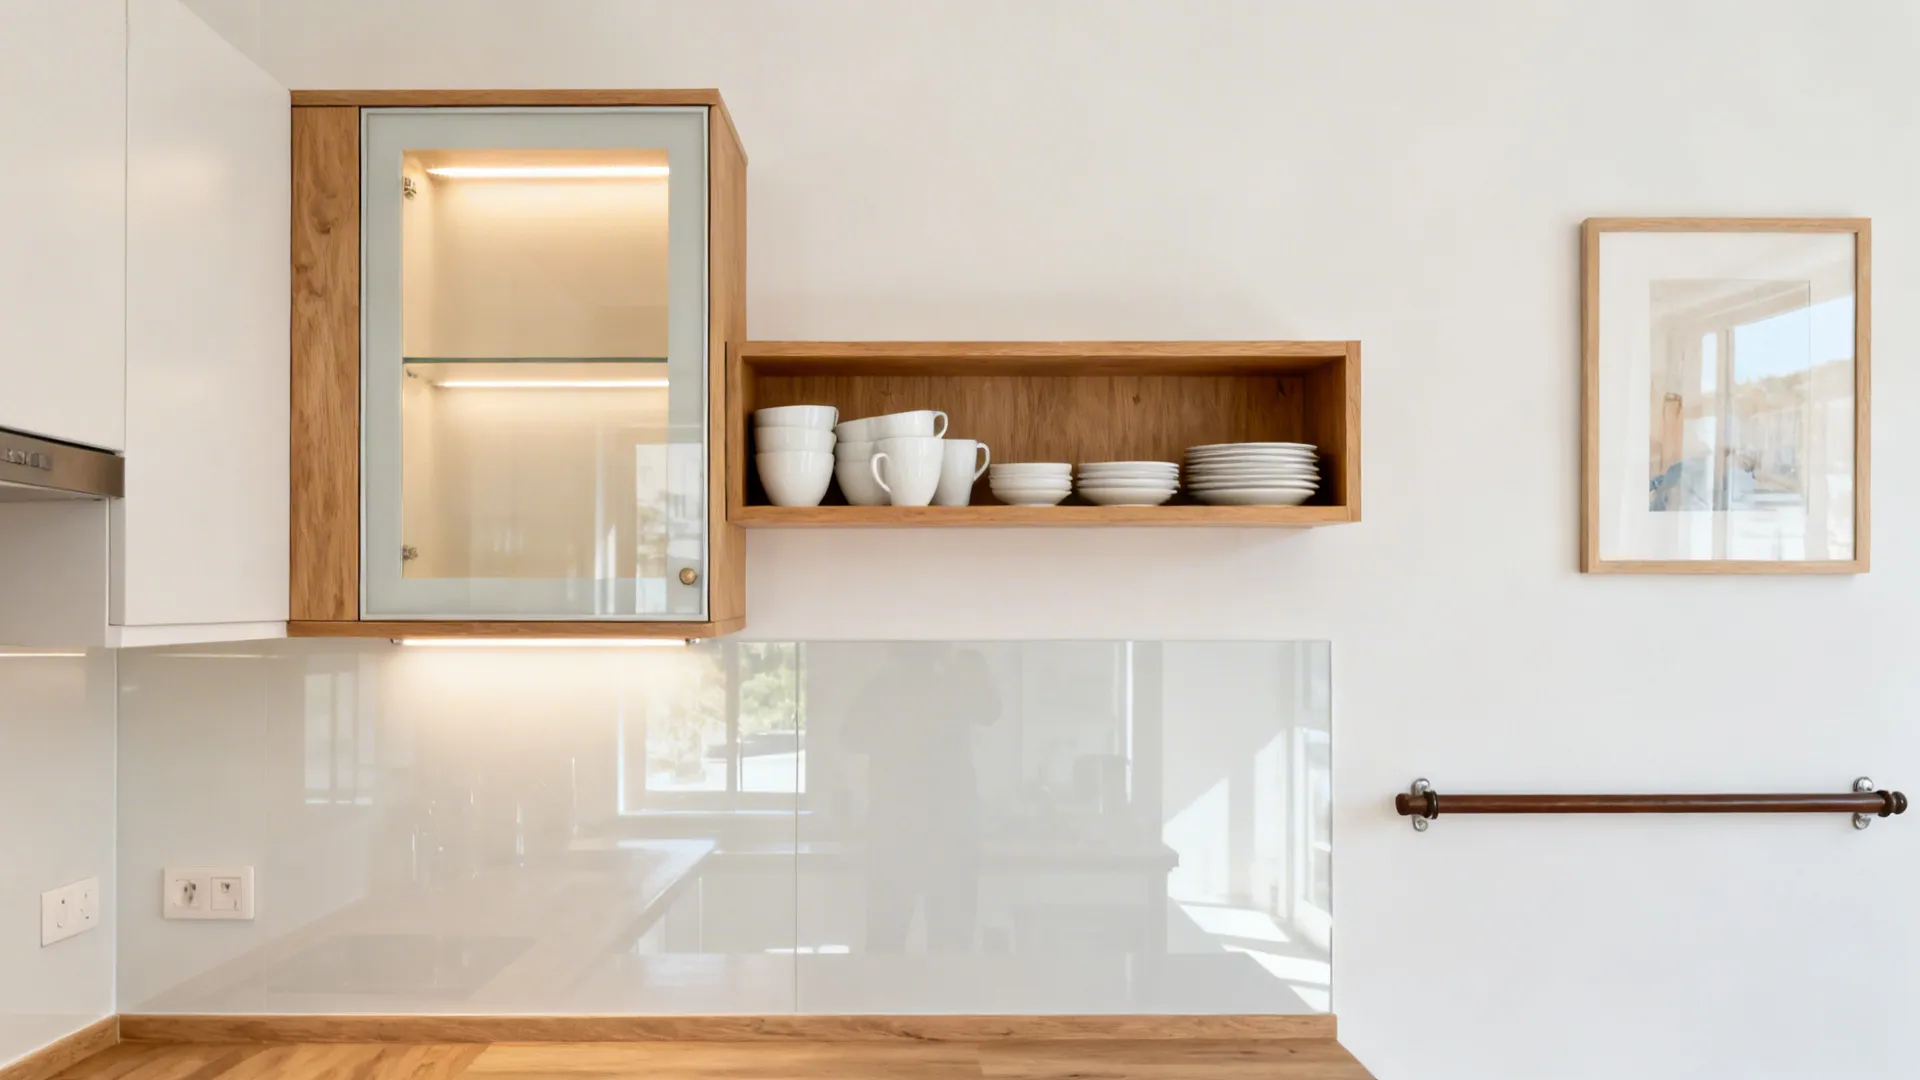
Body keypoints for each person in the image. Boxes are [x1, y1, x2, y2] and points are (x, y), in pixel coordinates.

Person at [841, 643, 1001, 952]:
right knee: (946, 942)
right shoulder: (947, 687)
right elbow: (990, 710)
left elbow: (851, 738)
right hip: (941, 829)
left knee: (890, 939)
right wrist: (970, 663)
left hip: (905, 827)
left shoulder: (884, 689)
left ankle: (888, 997)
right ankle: (933, 995)